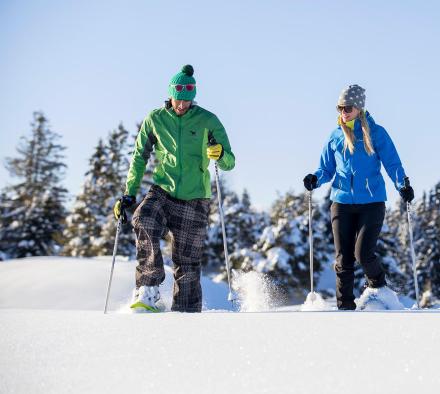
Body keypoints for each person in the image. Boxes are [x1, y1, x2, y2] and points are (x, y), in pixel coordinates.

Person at [114, 65, 235, 312]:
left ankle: (185, 316)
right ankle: (148, 289)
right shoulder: (155, 119)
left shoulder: (208, 121)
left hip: (195, 198)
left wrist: (220, 154)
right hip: (163, 190)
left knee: (187, 264)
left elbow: (229, 161)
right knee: (143, 218)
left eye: (187, 101)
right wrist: (129, 193)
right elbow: (139, 156)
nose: (182, 105)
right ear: (170, 95)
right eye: (178, 99)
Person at [303, 84, 414, 310]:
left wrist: (402, 184)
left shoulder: (376, 133)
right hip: (341, 203)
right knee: (343, 259)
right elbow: (326, 169)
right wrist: (316, 178)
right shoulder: (335, 136)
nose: (343, 111)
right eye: (340, 107)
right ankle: (345, 308)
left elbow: (392, 163)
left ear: (359, 108)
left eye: (348, 107)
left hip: (372, 203)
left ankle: (379, 289)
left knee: (362, 253)